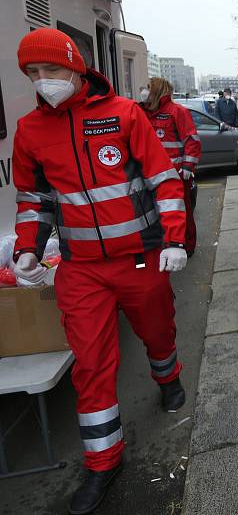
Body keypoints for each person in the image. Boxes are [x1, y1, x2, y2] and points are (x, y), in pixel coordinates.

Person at [11, 28, 188, 514]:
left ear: (76, 69)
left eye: (51, 70)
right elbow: (34, 201)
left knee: (157, 330)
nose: (43, 81)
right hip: (81, 269)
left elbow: (163, 179)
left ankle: (167, 375)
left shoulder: (123, 114)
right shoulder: (30, 131)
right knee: (90, 363)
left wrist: (173, 237)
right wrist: (28, 248)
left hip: (139, 258)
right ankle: (103, 460)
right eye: (33, 74)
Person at [141, 77, 202, 256]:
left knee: (182, 212)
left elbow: (191, 140)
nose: (144, 91)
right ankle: (163, 245)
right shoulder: (142, 112)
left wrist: (188, 167)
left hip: (175, 175)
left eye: (147, 87)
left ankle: (186, 246)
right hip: (150, 175)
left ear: (157, 90)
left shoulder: (177, 112)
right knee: (154, 213)